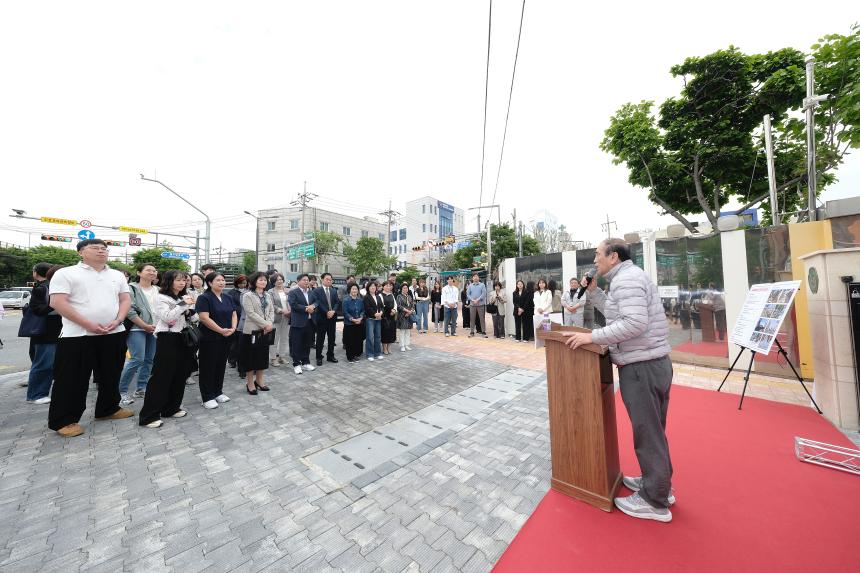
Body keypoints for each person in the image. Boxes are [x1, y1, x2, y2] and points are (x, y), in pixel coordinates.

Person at [563, 239, 674, 523]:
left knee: (647, 432)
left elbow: (634, 324)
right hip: (648, 363)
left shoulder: (627, 281)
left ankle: (655, 500)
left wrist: (592, 337)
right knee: (652, 431)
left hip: (642, 366)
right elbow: (617, 315)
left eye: (598, 255)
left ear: (613, 256)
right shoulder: (624, 279)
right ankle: (657, 483)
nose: (595, 261)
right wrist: (595, 292)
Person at [47, 239, 133, 438]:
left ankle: (108, 409)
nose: (101, 251)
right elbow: (57, 302)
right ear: (80, 252)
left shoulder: (116, 275)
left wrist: (119, 319)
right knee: (72, 378)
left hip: (113, 332)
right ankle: (64, 420)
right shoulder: (66, 273)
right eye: (95, 248)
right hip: (78, 335)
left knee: (111, 374)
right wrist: (88, 324)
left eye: (104, 249)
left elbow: (125, 299)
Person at [138, 270, 197, 427]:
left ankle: (171, 408)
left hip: (183, 337)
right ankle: (148, 415)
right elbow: (168, 317)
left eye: (184, 280)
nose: (182, 283)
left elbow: (193, 317)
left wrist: (190, 310)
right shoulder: (161, 297)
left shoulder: (183, 297)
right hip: (167, 338)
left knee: (180, 374)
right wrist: (184, 305)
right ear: (169, 281)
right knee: (161, 376)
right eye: (178, 280)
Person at [195, 272, 237, 409]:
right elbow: (204, 318)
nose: (221, 282)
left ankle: (218, 392)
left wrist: (233, 328)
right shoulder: (204, 298)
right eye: (218, 280)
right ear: (210, 283)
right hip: (209, 337)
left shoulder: (228, 297)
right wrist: (221, 330)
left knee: (220, 365)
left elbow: (234, 313)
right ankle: (207, 396)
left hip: (226, 336)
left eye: (223, 280)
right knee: (208, 366)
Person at [118, 263, 159, 405]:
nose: (153, 272)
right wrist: (144, 325)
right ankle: (121, 391)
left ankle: (141, 388)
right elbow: (129, 310)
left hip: (154, 328)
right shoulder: (131, 288)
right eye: (149, 270)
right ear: (139, 272)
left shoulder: (158, 290)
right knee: (137, 359)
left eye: (154, 270)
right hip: (137, 328)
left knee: (149, 359)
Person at [24, 263, 63, 404]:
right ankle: (36, 394)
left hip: (58, 332)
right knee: (43, 364)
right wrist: (57, 306)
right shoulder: (42, 288)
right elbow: (37, 310)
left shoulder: (54, 287)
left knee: (53, 364)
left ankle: (43, 392)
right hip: (46, 333)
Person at [240, 272, 275, 393]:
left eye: (265, 280)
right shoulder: (247, 295)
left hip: (265, 331)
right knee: (250, 358)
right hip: (251, 331)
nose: (263, 282)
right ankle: (250, 383)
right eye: (260, 280)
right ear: (254, 281)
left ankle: (259, 381)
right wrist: (266, 324)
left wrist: (269, 323)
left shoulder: (267, 295)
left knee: (262, 357)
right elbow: (250, 313)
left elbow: (271, 310)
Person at [287, 273, 317, 374]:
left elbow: (317, 302)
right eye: (304, 280)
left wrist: (313, 306)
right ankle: (296, 364)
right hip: (298, 322)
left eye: (307, 280)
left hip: (310, 322)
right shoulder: (293, 292)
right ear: (298, 281)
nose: (306, 282)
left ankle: (306, 362)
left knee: (307, 343)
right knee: (297, 344)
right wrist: (306, 308)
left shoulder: (311, 292)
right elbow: (293, 304)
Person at [313, 272, 341, 366]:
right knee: (320, 338)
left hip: (332, 318)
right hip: (321, 318)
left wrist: (333, 311)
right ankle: (318, 357)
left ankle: (330, 355)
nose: (329, 281)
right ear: (322, 280)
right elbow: (317, 303)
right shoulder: (317, 291)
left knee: (332, 338)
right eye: (327, 279)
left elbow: (337, 302)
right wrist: (326, 312)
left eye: (330, 279)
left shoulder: (333, 290)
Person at [227, 275, 248, 372]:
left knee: (243, 341)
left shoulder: (249, 292)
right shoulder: (231, 293)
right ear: (236, 283)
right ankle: (232, 360)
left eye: (245, 283)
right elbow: (232, 306)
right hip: (236, 318)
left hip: (247, 319)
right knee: (234, 341)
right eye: (241, 283)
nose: (243, 285)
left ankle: (241, 360)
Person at [268, 273, 290, 366]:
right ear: (273, 282)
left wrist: (290, 310)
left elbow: (292, 301)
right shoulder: (270, 292)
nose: (279, 281)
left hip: (288, 316)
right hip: (277, 317)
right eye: (277, 280)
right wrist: (281, 311)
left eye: (281, 279)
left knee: (284, 337)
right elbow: (271, 304)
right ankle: (273, 358)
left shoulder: (287, 290)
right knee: (275, 338)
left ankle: (282, 356)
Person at [342, 283, 365, 362]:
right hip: (349, 324)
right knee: (349, 341)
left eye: (356, 289)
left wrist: (361, 317)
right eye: (353, 289)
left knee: (357, 340)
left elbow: (363, 310)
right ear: (350, 290)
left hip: (359, 323)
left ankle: (355, 355)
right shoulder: (346, 300)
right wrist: (352, 319)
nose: (355, 290)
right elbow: (345, 312)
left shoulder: (360, 300)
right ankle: (350, 357)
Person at [363, 282, 384, 360]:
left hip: (378, 319)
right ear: (368, 288)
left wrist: (381, 313)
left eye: (374, 286)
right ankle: (370, 354)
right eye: (371, 286)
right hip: (370, 319)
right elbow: (367, 308)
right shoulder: (366, 297)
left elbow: (382, 307)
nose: (373, 287)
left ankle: (377, 353)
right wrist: (375, 314)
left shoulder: (378, 296)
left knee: (378, 337)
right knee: (370, 337)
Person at [467, 273, 488, 338]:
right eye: (474, 277)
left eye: (476, 276)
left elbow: (484, 293)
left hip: (481, 304)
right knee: (472, 318)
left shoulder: (482, 285)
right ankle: (472, 332)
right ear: (472, 278)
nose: (475, 278)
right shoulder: (470, 286)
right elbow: (468, 294)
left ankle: (483, 332)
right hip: (472, 305)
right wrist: (472, 300)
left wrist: (478, 300)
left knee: (482, 318)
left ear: (478, 278)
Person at [396, 283, 415, 351]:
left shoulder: (409, 296)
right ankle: (402, 345)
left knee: (408, 331)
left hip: (409, 315)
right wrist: (406, 311)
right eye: (404, 288)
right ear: (401, 289)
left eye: (406, 288)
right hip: (402, 315)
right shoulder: (399, 296)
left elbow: (413, 305)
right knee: (402, 331)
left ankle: (407, 344)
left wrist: (410, 311)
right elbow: (399, 306)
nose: (405, 289)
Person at [380, 281, 397, 355]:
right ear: (383, 286)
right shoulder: (380, 295)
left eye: (389, 286)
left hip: (391, 316)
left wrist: (394, 310)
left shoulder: (392, 295)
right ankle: (384, 348)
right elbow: (380, 306)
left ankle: (389, 347)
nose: (388, 287)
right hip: (384, 317)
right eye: (386, 286)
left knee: (391, 332)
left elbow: (395, 305)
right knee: (384, 332)